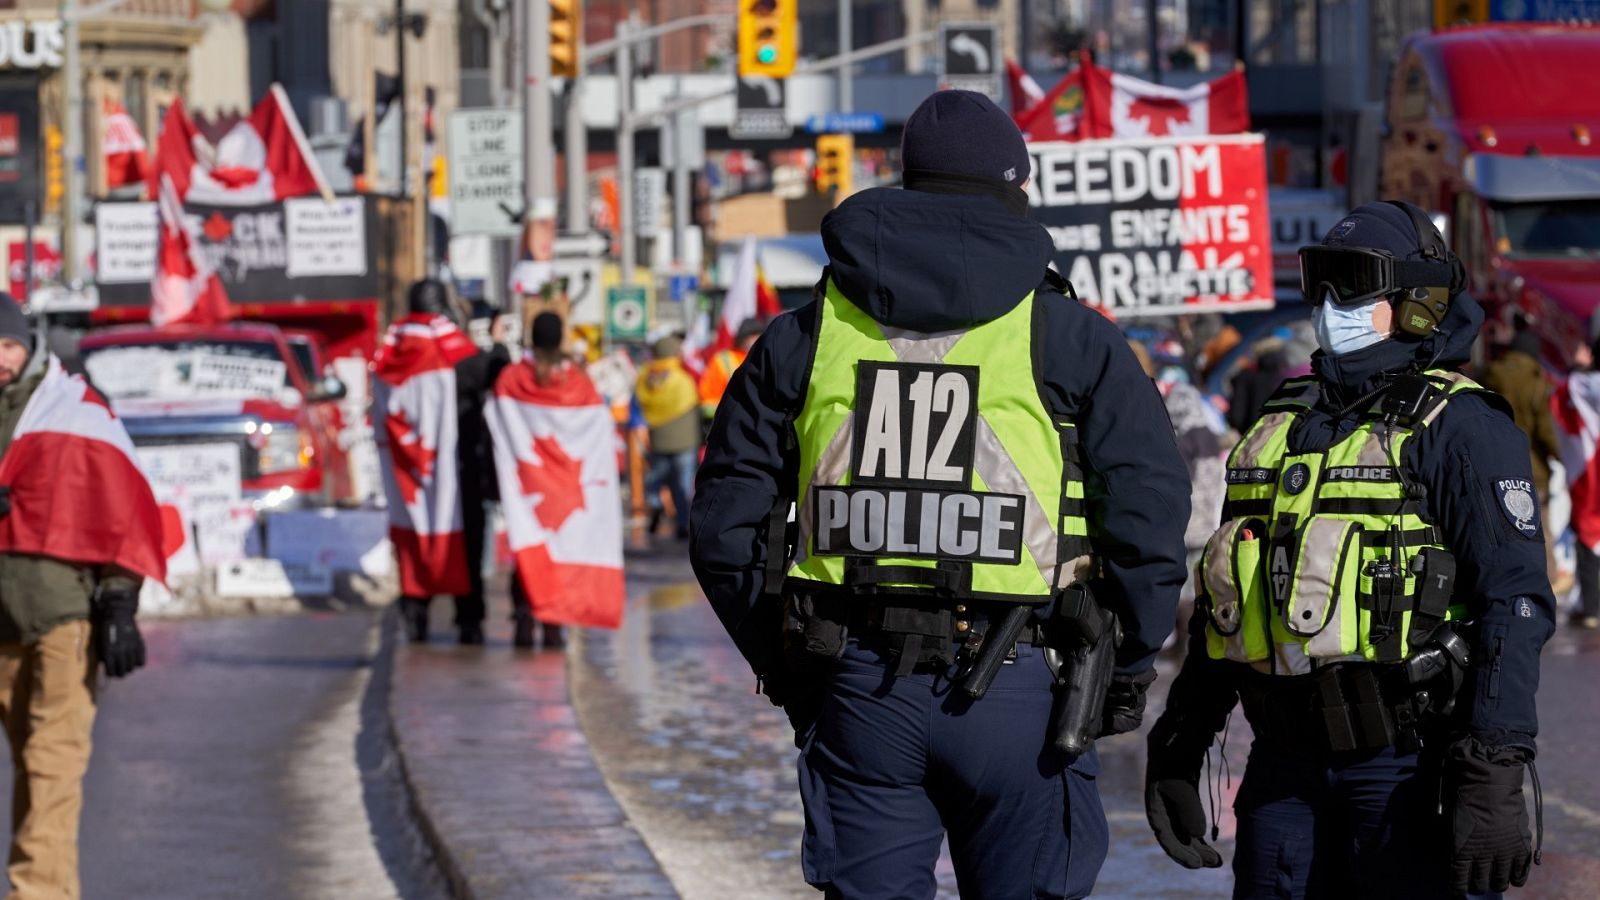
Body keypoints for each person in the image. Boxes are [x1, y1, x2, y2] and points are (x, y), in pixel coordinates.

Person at [691, 90, 1191, 899]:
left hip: (858, 684)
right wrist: (1126, 669)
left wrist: (792, 672)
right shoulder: (1073, 336)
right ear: (1016, 189)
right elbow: (1150, 517)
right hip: (1026, 690)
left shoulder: (805, 335)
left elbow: (723, 531)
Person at [1145, 202, 1554, 899]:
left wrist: (1493, 763)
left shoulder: (1461, 425)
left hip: (1405, 766)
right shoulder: (1282, 421)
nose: (1331, 304)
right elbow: (1230, 596)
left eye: (1355, 284)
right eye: (1321, 281)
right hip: (1283, 768)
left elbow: (1513, 602)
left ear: (1420, 302)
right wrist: (1182, 737)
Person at [0, 292, 159, 898]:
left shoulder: (72, 412)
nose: (1, 358)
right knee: (32, 765)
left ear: (29, 346)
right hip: (1, 626)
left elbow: (117, 508)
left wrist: (119, 605)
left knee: (52, 764)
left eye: (9, 345)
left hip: (63, 617)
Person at [376, 279, 484, 644]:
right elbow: (487, 373)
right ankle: (468, 620)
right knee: (465, 544)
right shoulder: (452, 352)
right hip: (455, 470)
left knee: (412, 543)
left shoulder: (390, 353)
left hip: (406, 473)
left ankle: (415, 613)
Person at [1481, 323, 1566, 595]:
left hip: (1492, 463)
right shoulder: (1537, 383)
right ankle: (1547, 582)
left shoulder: (1489, 374)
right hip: (1532, 469)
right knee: (1538, 528)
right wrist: (1563, 456)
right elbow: (1546, 431)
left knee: (1498, 528)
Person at [506, 313, 574, 649]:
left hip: (526, 481)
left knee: (527, 548)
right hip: (562, 482)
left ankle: (523, 618)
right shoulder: (574, 378)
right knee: (558, 551)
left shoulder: (514, 376)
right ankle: (552, 625)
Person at [1553, 338, 1600, 629]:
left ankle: (1591, 607)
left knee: (1587, 533)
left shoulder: (1583, 384)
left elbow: (1564, 393)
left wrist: (1580, 367)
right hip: (1590, 472)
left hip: (1591, 475)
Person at [634, 333, 700, 539]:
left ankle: (655, 504)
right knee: (682, 485)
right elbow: (693, 406)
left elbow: (639, 407)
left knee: (655, 480)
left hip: (659, 441)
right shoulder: (682, 380)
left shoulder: (645, 379)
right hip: (685, 441)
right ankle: (682, 523)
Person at [698, 317, 765, 417]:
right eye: (753, 334)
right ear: (742, 338)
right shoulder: (723, 360)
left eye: (759, 335)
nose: (757, 339)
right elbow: (707, 399)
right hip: (728, 419)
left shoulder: (764, 358)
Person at [1227, 340, 1291, 434]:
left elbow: (1236, 416)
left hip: (1245, 434)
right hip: (1269, 436)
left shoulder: (1245, 378)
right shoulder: (1287, 383)